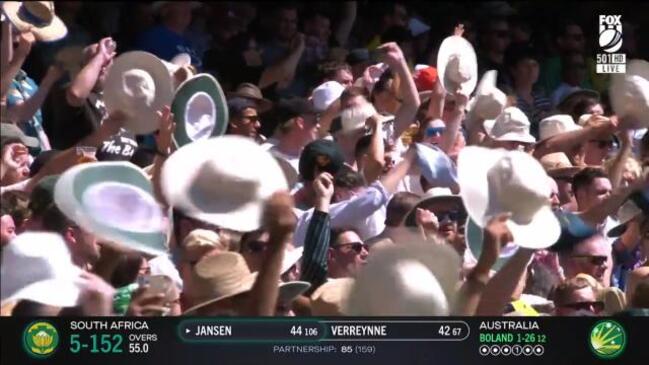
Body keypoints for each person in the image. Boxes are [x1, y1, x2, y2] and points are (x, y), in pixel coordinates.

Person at [134, 2, 201, 68]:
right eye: (180, 7)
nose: (187, 12)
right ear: (164, 11)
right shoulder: (152, 37)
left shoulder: (189, 41)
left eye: (188, 8)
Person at [505, 44, 551, 137]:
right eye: (526, 66)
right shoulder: (507, 100)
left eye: (535, 65)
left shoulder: (545, 101)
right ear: (513, 70)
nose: (531, 70)